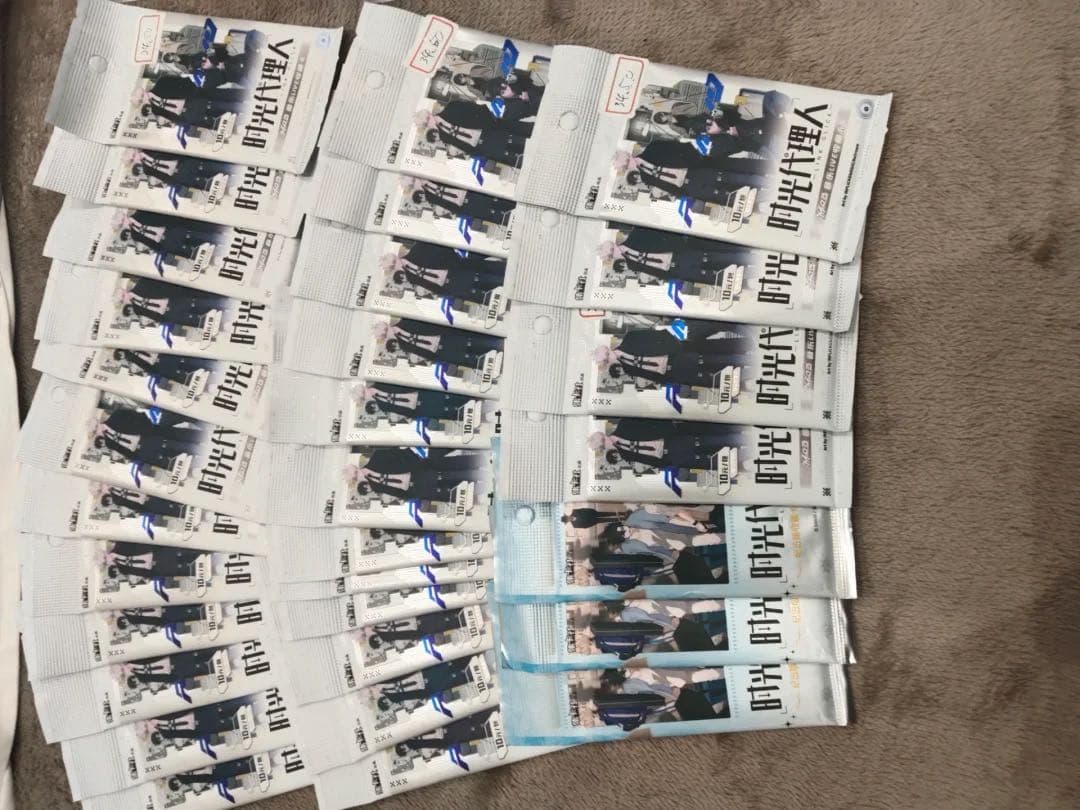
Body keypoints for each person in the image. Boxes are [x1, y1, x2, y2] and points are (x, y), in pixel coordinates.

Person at [607, 226, 757, 286]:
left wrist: (680, 245)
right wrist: (673, 276)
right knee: (714, 278)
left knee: (718, 259)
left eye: (612, 251)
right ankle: (747, 281)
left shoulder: (637, 234)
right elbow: (653, 271)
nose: (614, 254)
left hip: (680, 254)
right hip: (677, 271)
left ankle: (753, 260)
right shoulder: (631, 264)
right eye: (611, 255)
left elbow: (661, 236)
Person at [600, 418, 747, 471]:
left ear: (604, 438)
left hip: (674, 440)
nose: (606, 447)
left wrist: (671, 430)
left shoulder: (625, 425)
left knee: (713, 442)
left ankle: (745, 441)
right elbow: (648, 460)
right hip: (673, 458)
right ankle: (742, 462)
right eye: (603, 448)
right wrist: (667, 463)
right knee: (711, 462)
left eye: (603, 445)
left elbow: (650, 422)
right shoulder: (624, 454)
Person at [386, 242, 505, 306]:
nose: (396, 265)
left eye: (394, 262)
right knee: (492, 299)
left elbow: (442, 247)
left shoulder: (418, 249)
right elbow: (432, 287)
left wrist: (454, 262)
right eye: (392, 266)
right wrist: (447, 292)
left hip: (459, 269)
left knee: (495, 278)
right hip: (454, 287)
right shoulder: (411, 278)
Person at [383, 319, 503, 369]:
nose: (396, 346)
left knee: (471, 344)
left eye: (386, 330)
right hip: (440, 354)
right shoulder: (406, 349)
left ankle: (497, 346)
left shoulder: (406, 324)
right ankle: (494, 366)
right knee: (468, 359)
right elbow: (423, 356)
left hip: (442, 338)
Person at [410, 181, 515, 227]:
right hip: (465, 206)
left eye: (421, 195)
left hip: (467, 194)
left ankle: (514, 207)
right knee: (490, 214)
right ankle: (511, 222)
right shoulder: (433, 204)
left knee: (494, 202)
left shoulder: (432, 186)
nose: (423, 197)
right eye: (421, 199)